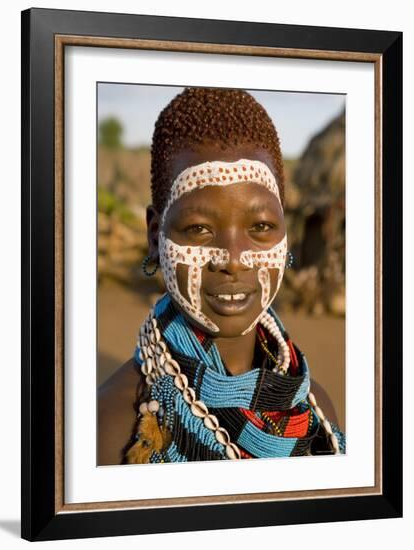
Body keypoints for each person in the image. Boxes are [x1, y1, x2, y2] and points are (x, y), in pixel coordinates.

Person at [98, 87, 346, 465]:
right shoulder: (113, 426)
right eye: (199, 229)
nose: (233, 260)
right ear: (155, 236)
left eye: (261, 225)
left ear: (286, 232)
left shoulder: (317, 412)